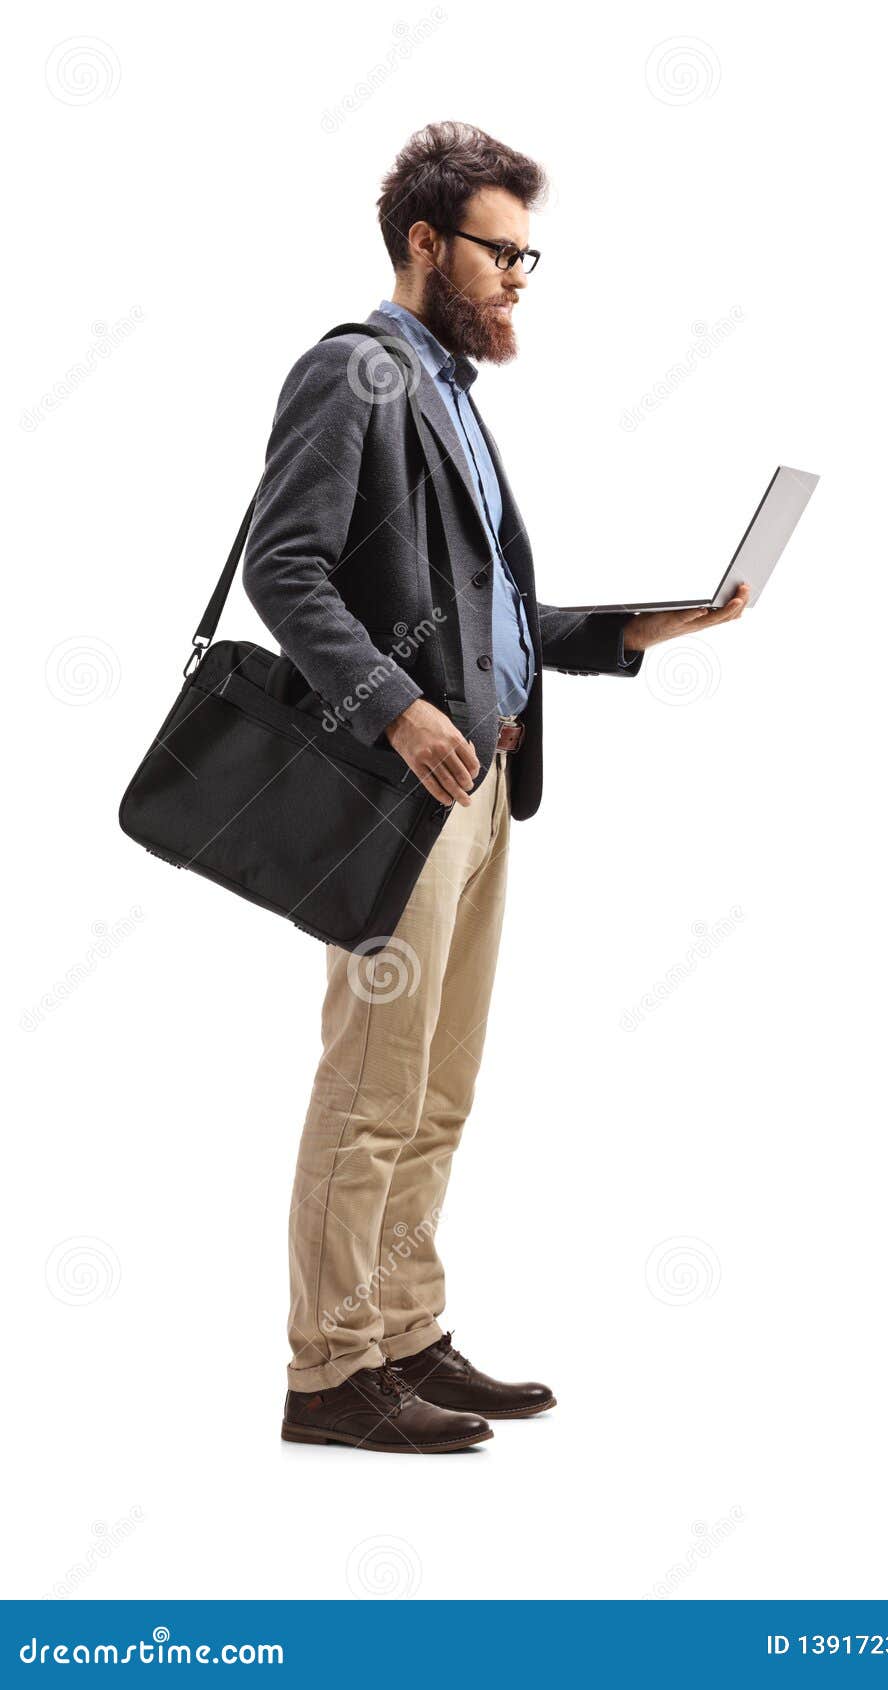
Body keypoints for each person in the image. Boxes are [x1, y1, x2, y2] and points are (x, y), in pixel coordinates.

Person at [242, 121, 749, 1454]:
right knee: (371, 1089)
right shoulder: (353, 374)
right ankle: (330, 1372)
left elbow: (487, 612)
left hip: (479, 791)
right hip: (394, 790)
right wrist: (398, 711)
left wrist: (644, 627)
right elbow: (283, 570)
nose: (521, 274)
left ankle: (403, 1330)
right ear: (424, 241)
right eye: (501, 249)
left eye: (532, 253)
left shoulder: (452, 394)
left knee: (436, 1089)